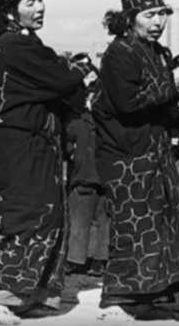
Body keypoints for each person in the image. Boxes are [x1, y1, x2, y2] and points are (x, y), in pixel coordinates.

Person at [0, 0, 95, 324]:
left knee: (49, 213)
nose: (40, 7)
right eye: (30, 1)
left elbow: (61, 86)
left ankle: (32, 292)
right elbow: (62, 80)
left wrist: (70, 76)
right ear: (11, 11)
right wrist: (79, 71)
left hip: (37, 144)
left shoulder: (27, 43)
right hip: (17, 145)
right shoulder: (13, 44)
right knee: (26, 214)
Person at [92, 0, 179, 322]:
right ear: (130, 18)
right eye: (149, 14)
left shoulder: (158, 52)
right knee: (132, 227)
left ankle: (155, 295)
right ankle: (117, 298)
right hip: (125, 155)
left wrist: (177, 103)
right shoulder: (119, 52)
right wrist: (170, 84)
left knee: (163, 226)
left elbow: (160, 103)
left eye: (162, 14)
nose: (158, 21)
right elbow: (128, 103)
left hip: (156, 154)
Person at [64, 58, 108, 277]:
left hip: (102, 178)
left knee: (103, 221)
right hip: (84, 176)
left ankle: (99, 259)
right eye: (90, 98)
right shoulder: (78, 122)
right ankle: (76, 259)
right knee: (80, 220)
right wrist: (73, 154)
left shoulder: (106, 123)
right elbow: (67, 143)